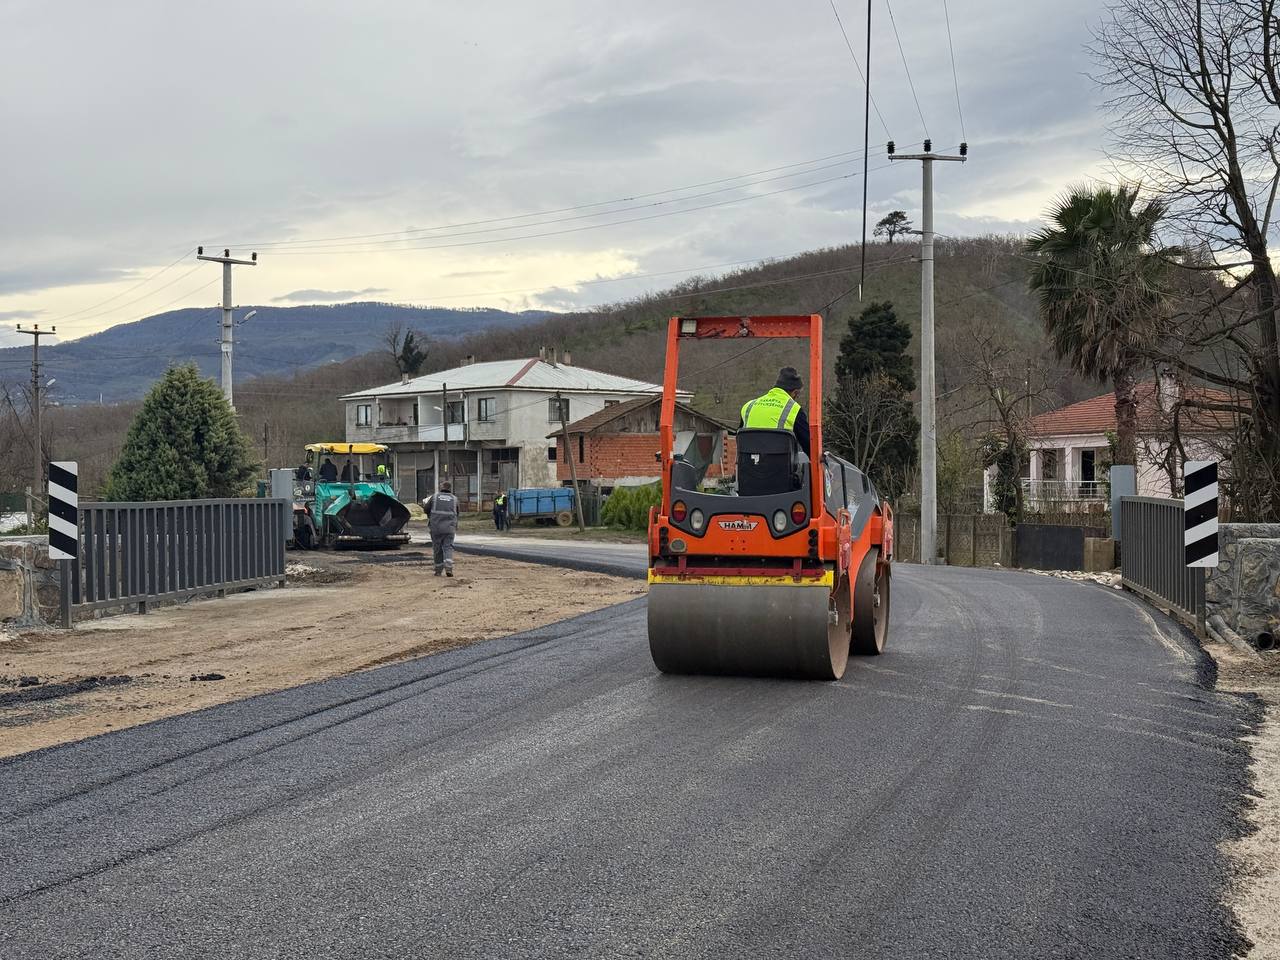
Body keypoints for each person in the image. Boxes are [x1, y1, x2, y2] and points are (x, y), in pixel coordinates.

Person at [739, 366, 810, 457]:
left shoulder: (748, 406)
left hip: (747, 468)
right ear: (795, 392)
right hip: (780, 469)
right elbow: (809, 446)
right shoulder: (794, 410)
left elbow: (740, 440)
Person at [423, 481, 460, 577]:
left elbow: (426, 509)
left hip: (436, 527)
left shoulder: (434, 497)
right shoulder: (455, 499)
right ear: (450, 488)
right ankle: (449, 568)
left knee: (437, 548)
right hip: (450, 528)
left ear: (442, 487)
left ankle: (438, 570)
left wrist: (430, 516)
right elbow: (457, 513)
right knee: (448, 547)